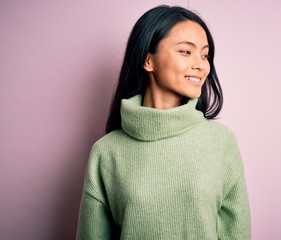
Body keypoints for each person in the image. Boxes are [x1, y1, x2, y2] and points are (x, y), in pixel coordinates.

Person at [77, 5, 251, 240]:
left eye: (205, 54)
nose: (201, 65)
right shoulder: (106, 152)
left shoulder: (221, 142)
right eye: (186, 52)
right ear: (148, 60)